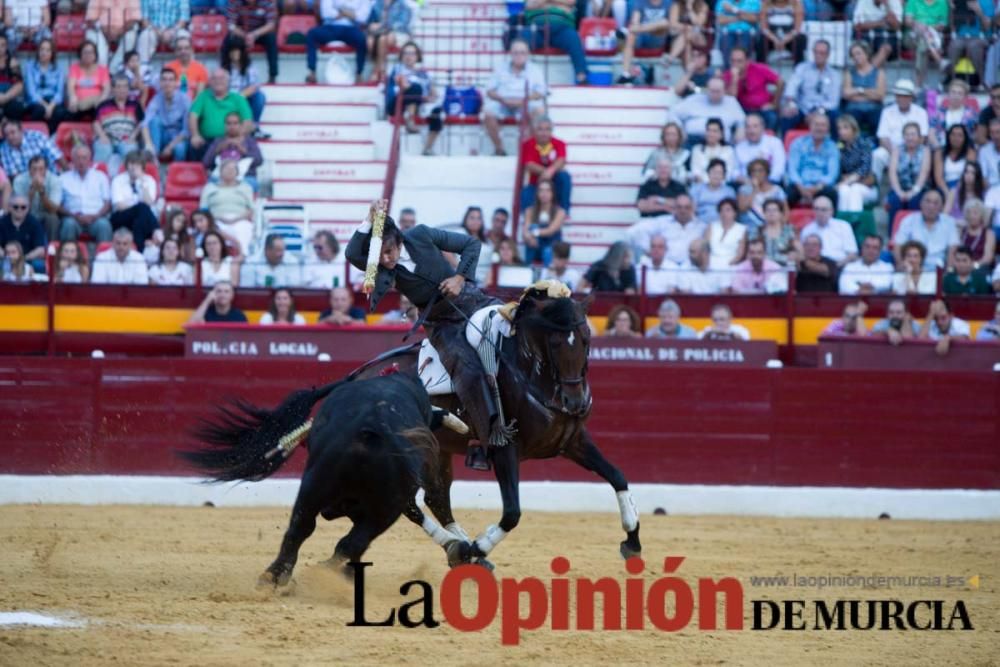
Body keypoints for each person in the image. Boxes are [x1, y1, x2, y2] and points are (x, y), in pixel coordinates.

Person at [345, 200, 512, 467]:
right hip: (441, 323)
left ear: (399, 241)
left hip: (473, 300)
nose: (387, 260)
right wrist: (368, 221)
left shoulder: (420, 234)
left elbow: (471, 245)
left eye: (389, 252)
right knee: (465, 369)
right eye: (381, 257)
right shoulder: (384, 270)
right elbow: (353, 254)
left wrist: (459, 278)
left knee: (515, 330)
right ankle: (484, 439)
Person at [483, 39, 547, 156]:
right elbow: (489, 91)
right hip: (502, 101)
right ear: (510, 54)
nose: (519, 56)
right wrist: (502, 99)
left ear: (528, 54)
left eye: (522, 53)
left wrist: (524, 100)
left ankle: (525, 150)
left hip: (525, 102)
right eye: (516, 53)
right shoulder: (500, 68)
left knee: (539, 110)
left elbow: (541, 92)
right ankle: (499, 149)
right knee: (488, 112)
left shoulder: (535, 70)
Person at [384, 41, 441, 156]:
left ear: (418, 56)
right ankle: (410, 120)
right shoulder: (397, 68)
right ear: (401, 56)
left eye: (412, 53)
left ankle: (427, 148)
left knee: (437, 112)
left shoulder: (425, 74)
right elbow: (401, 84)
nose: (408, 56)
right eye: (405, 53)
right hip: (397, 102)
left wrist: (429, 98)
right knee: (415, 88)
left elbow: (434, 94)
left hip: (419, 102)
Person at [188, 68, 254, 162]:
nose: (218, 81)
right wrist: (195, 135)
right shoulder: (203, 96)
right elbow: (193, 116)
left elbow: (247, 121)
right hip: (207, 140)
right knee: (193, 145)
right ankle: (199, 175)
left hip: (232, 138)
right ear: (210, 82)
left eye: (221, 78)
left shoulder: (238, 99)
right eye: (214, 78)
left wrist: (239, 138)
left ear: (228, 81)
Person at [779, 40, 841, 136]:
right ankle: (785, 146)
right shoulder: (802, 68)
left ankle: (836, 146)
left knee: (835, 115)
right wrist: (791, 103)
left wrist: (818, 112)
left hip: (822, 109)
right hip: (802, 108)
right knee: (788, 114)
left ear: (828, 55)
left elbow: (833, 101)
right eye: (815, 52)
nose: (818, 55)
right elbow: (791, 87)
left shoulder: (834, 74)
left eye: (822, 53)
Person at [872, 79, 928, 184]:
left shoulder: (921, 112)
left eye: (905, 96)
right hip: (891, 151)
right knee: (877, 155)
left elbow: (922, 138)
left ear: (911, 97)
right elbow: (883, 138)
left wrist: (908, 153)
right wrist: (895, 154)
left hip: (913, 152)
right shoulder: (887, 111)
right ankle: (875, 187)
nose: (902, 99)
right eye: (899, 96)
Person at [519, 0, 588, 85]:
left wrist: (544, 3)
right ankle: (518, 75)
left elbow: (571, 2)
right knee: (521, 41)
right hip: (536, 28)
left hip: (562, 27)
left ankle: (582, 78)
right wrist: (558, 4)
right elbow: (530, 4)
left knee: (574, 38)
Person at [305, 0, 370, 85]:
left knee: (361, 38)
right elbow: (326, 12)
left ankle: (359, 74)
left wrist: (340, 11)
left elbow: (362, 18)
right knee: (312, 34)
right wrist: (350, 14)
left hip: (350, 29)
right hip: (330, 27)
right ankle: (312, 72)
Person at [892, 188, 958, 269]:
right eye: (928, 201)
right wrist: (901, 265)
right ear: (921, 204)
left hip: (939, 267)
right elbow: (898, 245)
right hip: (913, 267)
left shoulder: (949, 222)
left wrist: (949, 270)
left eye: (936, 203)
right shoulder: (909, 220)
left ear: (941, 207)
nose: (931, 206)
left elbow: (953, 248)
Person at [58, 144, 112, 243]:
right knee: (68, 224)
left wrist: (95, 216)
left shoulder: (101, 177)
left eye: (84, 158)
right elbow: (58, 205)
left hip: (96, 218)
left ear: (90, 160)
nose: (81, 161)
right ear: (73, 160)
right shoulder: (63, 178)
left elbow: (107, 203)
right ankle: (66, 257)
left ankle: (104, 256)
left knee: (104, 225)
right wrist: (74, 216)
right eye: (78, 158)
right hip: (73, 218)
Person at [199, 159, 255, 254]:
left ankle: (243, 259)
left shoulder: (245, 188)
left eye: (233, 169)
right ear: (220, 171)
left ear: (237, 173)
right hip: (215, 221)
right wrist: (216, 218)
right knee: (212, 234)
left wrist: (235, 219)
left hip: (240, 220)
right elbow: (202, 211)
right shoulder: (209, 188)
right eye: (227, 168)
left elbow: (251, 210)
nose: (230, 171)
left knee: (244, 231)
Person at [786, 111, 840, 209]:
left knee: (832, 194)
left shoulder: (832, 147)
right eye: (816, 124)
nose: (819, 128)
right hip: (800, 185)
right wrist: (801, 187)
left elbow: (832, 174)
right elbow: (792, 169)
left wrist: (817, 188)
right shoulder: (798, 144)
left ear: (828, 128)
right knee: (787, 195)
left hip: (821, 187)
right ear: (810, 126)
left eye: (823, 125)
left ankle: (832, 223)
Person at [93, 74, 145, 174]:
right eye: (119, 86)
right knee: (103, 150)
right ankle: (96, 179)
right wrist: (102, 136)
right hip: (108, 138)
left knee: (131, 153)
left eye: (125, 86)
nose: (122, 89)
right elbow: (95, 122)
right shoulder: (103, 105)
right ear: (113, 89)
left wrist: (133, 137)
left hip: (127, 139)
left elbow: (141, 123)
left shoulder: (135, 104)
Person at [671, 76, 746, 144]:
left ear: (724, 91)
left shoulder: (731, 102)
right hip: (693, 140)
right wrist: (680, 129)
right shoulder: (694, 99)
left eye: (718, 91)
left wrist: (740, 129)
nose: (715, 94)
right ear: (707, 89)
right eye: (712, 91)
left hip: (722, 143)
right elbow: (673, 113)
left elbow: (742, 121)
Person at [519, 115, 571, 212]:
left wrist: (550, 172)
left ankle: (564, 211)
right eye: (540, 129)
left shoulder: (560, 143)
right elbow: (529, 164)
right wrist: (546, 172)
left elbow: (561, 160)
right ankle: (529, 222)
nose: (544, 133)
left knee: (564, 177)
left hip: (554, 185)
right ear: (535, 130)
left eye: (547, 129)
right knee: (525, 194)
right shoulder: (527, 144)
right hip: (536, 184)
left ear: (551, 131)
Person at [722, 47, 782, 130]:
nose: (735, 64)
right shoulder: (727, 75)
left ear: (747, 61)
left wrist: (774, 104)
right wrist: (734, 79)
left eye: (739, 61)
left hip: (761, 109)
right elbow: (731, 99)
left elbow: (780, 82)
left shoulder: (759, 69)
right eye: (733, 61)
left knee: (772, 118)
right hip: (741, 110)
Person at [201, 112, 264, 191]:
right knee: (209, 186)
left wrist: (243, 150)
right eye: (229, 123)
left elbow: (259, 161)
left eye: (235, 123)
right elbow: (206, 163)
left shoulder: (249, 141)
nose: (232, 126)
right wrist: (218, 150)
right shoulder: (218, 141)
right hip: (221, 178)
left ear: (240, 125)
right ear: (225, 126)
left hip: (245, 178)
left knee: (252, 184)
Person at [110, 150, 159, 251]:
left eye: (137, 164)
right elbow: (119, 206)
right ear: (126, 165)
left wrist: (142, 183)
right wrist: (137, 207)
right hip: (121, 217)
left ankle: (140, 249)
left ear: (142, 166)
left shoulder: (149, 180)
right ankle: (157, 231)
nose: (133, 167)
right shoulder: (118, 180)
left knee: (140, 220)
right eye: (131, 163)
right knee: (142, 208)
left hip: (141, 219)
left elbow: (149, 202)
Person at [617, 0, 671, 85]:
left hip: (658, 37)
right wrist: (648, 28)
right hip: (642, 37)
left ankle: (627, 31)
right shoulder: (640, 2)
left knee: (664, 23)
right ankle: (625, 74)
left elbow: (670, 25)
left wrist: (643, 28)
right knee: (631, 35)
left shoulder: (668, 2)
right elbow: (635, 22)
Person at [224, 0, 279, 85]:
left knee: (271, 38)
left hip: (260, 32)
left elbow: (271, 24)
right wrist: (245, 35)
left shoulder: (268, 1)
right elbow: (230, 25)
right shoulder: (234, 1)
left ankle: (272, 75)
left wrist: (254, 34)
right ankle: (224, 72)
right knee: (228, 40)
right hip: (241, 32)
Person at [143, 68, 191, 163]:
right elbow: (145, 122)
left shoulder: (184, 99)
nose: (167, 83)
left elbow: (186, 131)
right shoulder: (156, 99)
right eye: (164, 79)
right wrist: (148, 145)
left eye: (170, 80)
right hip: (162, 136)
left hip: (178, 136)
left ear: (176, 83)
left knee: (180, 148)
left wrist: (170, 147)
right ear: (160, 82)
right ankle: (153, 158)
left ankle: (176, 172)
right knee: (155, 120)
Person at [841, 41, 886, 135]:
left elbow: (880, 95)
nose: (856, 57)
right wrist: (868, 92)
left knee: (877, 119)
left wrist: (857, 91)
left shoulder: (879, 73)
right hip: (854, 108)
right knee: (850, 120)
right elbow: (846, 94)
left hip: (874, 108)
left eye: (858, 53)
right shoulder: (849, 73)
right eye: (853, 55)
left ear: (866, 54)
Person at [12, 154, 60, 243]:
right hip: (27, 214)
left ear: (46, 169)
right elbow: (20, 208)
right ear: (29, 169)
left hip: (45, 214)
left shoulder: (55, 180)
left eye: (41, 169)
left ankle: (52, 248)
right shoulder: (20, 180)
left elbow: (53, 209)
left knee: (53, 218)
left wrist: (42, 192)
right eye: (34, 169)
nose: (37, 172)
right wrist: (32, 190)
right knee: (19, 217)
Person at [22, 39, 67, 134]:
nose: (44, 53)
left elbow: (59, 93)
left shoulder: (59, 69)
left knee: (59, 112)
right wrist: (45, 106)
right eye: (42, 49)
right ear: (38, 51)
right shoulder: (30, 67)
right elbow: (31, 92)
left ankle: (51, 137)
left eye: (48, 50)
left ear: (52, 53)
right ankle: (35, 136)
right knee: (39, 110)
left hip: (53, 101)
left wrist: (50, 106)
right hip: (36, 101)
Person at [835, 115, 877, 214]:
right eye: (839, 128)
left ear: (854, 129)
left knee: (855, 190)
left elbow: (864, 169)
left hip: (866, 186)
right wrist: (845, 181)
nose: (841, 131)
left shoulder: (864, 144)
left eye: (845, 127)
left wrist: (848, 180)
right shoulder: (838, 146)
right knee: (843, 190)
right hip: (846, 183)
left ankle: (855, 223)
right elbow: (838, 170)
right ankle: (844, 223)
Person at [221, 37, 266, 129]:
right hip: (227, 99)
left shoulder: (250, 67)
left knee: (259, 97)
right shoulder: (222, 68)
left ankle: (254, 126)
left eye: (237, 51)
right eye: (232, 51)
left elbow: (254, 86)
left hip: (244, 98)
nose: (235, 54)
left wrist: (240, 97)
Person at [799, 195, 858, 265]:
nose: (820, 213)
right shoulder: (807, 230)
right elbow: (802, 254)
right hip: (814, 268)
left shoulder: (844, 226)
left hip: (840, 265)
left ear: (831, 211)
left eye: (823, 209)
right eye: (816, 209)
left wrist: (837, 266)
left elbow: (853, 254)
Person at [945, 0, 993, 83]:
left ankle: (983, 81)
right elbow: (950, 25)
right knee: (954, 46)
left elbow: (988, 27)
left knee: (973, 46)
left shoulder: (987, 2)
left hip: (982, 36)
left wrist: (979, 11)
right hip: (961, 36)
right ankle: (952, 80)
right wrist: (951, 9)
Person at [903, 0, 949, 87]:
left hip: (934, 36)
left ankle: (918, 84)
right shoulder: (913, 1)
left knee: (923, 44)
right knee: (923, 38)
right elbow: (908, 21)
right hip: (912, 36)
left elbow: (943, 24)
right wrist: (918, 25)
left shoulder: (942, 2)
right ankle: (939, 60)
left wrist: (927, 28)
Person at [367, 0, 414, 82]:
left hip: (398, 32)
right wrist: (371, 25)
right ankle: (379, 69)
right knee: (370, 41)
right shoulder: (377, 3)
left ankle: (378, 70)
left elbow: (402, 24)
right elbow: (371, 20)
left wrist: (383, 26)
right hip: (380, 32)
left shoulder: (402, 4)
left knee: (383, 39)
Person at [733, 113, 786, 184]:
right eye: (748, 127)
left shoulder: (775, 143)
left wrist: (764, 182)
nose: (751, 131)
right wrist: (747, 181)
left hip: (770, 183)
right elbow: (734, 171)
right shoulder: (739, 147)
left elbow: (779, 168)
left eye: (755, 126)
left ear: (762, 127)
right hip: (746, 184)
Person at [523, 180, 566, 266]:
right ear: (537, 193)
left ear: (552, 193)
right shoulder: (529, 211)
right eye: (541, 190)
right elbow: (526, 230)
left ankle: (549, 274)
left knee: (548, 251)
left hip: (551, 244)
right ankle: (528, 269)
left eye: (547, 190)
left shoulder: (560, 212)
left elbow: (551, 230)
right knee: (531, 230)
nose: (544, 193)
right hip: (535, 243)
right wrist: (529, 237)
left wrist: (533, 233)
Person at [928, 80, 979, 151]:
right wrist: (938, 149)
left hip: (964, 151)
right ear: (948, 94)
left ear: (965, 96)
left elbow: (977, 134)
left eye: (960, 93)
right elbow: (931, 133)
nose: (956, 96)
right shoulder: (939, 113)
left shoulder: (971, 114)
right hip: (941, 149)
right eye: (953, 92)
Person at [66, 41, 110, 120]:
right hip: (78, 103)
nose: (88, 55)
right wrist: (73, 98)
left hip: (97, 103)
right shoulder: (74, 68)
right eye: (85, 52)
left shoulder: (102, 70)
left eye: (91, 52)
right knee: (70, 112)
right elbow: (70, 86)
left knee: (99, 108)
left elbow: (106, 89)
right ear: (80, 54)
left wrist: (102, 100)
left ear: (95, 54)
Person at [738, 158, 786, 229]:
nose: (756, 174)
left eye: (760, 171)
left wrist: (778, 228)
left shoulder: (777, 190)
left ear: (767, 173)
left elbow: (785, 212)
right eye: (753, 171)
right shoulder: (744, 189)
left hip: (771, 229)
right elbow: (742, 208)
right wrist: (754, 190)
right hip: (749, 228)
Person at [0, 193, 45, 271]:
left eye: (23, 207)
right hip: (6, 258)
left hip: (28, 259)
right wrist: (6, 256)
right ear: (10, 207)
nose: (19, 209)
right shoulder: (2, 222)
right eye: (15, 207)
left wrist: (23, 258)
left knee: (39, 265)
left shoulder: (34, 223)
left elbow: (40, 248)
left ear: (28, 208)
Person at [852, 0, 902, 67]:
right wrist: (880, 23)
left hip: (887, 36)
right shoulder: (863, 1)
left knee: (886, 48)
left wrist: (887, 5)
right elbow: (857, 26)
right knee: (861, 49)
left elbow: (896, 26)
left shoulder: (894, 1)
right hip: (867, 36)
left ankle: (867, 73)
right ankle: (868, 73)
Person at [933, 124, 977, 198]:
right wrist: (947, 193)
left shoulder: (970, 152)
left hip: (964, 186)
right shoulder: (940, 152)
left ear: (965, 138)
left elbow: (970, 174)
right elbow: (938, 178)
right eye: (953, 134)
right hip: (945, 186)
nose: (956, 138)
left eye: (960, 135)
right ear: (948, 136)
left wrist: (956, 192)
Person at [757, 0, 806, 64]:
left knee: (800, 39)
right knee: (761, 40)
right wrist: (775, 40)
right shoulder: (765, 3)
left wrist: (784, 40)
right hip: (771, 36)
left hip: (790, 36)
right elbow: (764, 28)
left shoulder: (796, 3)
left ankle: (799, 69)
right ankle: (761, 68)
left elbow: (797, 29)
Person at [689, 118, 736, 185]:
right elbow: (696, 172)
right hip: (701, 186)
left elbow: (728, 173)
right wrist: (708, 184)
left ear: (721, 134)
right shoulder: (697, 149)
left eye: (714, 131)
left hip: (721, 186)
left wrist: (714, 184)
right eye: (708, 130)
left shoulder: (728, 150)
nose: (710, 134)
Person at [664, 0, 711, 66]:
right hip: (679, 38)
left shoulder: (703, 5)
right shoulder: (676, 5)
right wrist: (688, 28)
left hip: (699, 37)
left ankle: (671, 58)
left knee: (687, 34)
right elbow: (673, 23)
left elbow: (699, 24)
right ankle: (688, 72)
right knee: (687, 41)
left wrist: (690, 9)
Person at [715, 0, 761, 67]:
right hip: (728, 33)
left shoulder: (753, 1)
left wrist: (733, 10)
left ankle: (744, 71)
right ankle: (728, 73)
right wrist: (743, 16)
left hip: (747, 33)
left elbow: (754, 18)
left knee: (744, 45)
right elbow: (720, 20)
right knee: (726, 41)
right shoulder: (723, 2)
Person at [704, 198, 746, 271]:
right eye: (721, 210)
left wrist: (728, 265)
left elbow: (740, 254)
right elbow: (705, 248)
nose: (724, 213)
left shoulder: (741, 229)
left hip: (731, 264)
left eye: (728, 210)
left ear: (735, 212)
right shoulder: (711, 226)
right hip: (711, 263)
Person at [756, 198, 801, 267]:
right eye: (768, 210)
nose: (771, 213)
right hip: (762, 268)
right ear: (764, 213)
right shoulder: (757, 231)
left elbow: (801, 253)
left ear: (781, 214)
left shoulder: (789, 230)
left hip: (784, 267)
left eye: (775, 210)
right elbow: (751, 253)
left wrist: (795, 255)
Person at [959, 199, 995, 267]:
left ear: (982, 215)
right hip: (960, 267)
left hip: (979, 267)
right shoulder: (961, 231)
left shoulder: (989, 234)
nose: (972, 216)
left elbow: (988, 257)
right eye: (969, 212)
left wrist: (974, 266)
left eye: (975, 213)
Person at [978, 118, 1000, 189]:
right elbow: (983, 177)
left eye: (998, 132)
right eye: (992, 133)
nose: (995, 136)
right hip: (991, 190)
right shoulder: (984, 151)